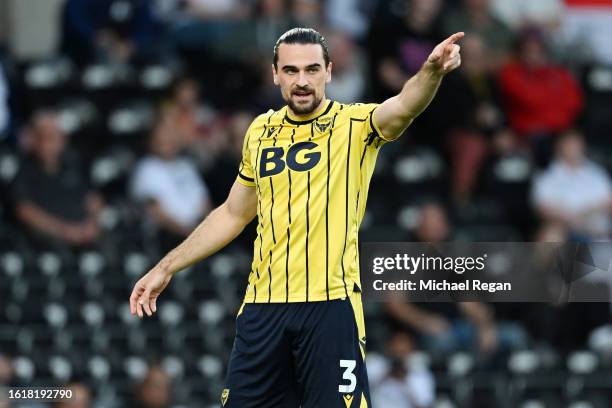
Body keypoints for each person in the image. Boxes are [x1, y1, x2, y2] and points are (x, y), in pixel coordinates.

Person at [129, 27, 464, 407]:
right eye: (291, 71)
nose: (302, 81)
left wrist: (431, 71)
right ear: (275, 74)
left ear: (329, 71)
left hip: (330, 307)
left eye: (311, 69)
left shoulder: (354, 126)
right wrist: (167, 266)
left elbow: (404, 105)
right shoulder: (260, 132)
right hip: (262, 309)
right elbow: (233, 213)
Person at [13, 110, 103, 248]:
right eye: (47, 137)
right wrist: (65, 231)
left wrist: (92, 224)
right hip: (46, 243)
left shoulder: (74, 164)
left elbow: (93, 199)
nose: (53, 144)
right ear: (35, 140)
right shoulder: (24, 169)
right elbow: (25, 211)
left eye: (57, 137)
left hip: (84, 236)